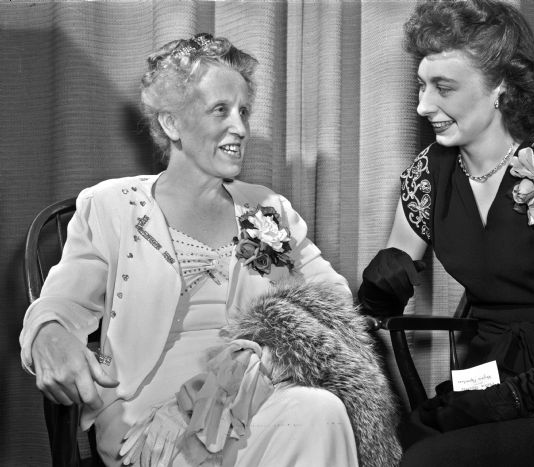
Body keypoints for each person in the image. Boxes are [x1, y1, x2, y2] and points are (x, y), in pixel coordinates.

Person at [20, 33, 401, 467]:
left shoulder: (263, 212)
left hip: (252, 400)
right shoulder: (114, 206)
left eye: (243, 112)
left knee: (322, 411)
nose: (239, 127)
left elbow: (328, 312)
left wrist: (209, 393)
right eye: (220, 110)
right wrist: (49, 335)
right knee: (317, 414)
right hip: (147, 427)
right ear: (171, 123)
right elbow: (60, 305)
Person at [358, 1, 534, 466]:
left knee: (431, 460)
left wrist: (508, 401)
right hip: (485, 377)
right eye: (421, 86)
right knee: (405, 440)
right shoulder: (429, 172)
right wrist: (374, 289)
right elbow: (382, 299)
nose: (423, 105)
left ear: (501, 87)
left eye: (443, 87)